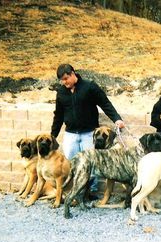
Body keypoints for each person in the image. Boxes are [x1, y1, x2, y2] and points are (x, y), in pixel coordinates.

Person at [51, 64, 125, 196]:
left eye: (66, 78)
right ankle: (75, 191)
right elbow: (58, 115)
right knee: (71, 164)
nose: (64, 82)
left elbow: (105, 104)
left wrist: (117, 119)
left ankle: (90, 192)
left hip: (89, 134)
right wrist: (53, 136)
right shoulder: (61, 92)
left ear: (73, 73)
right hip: (71, 134)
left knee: (91, 165)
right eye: (61, 80)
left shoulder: (90, 86)